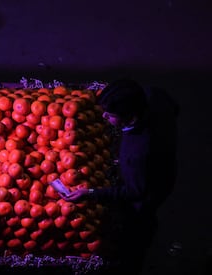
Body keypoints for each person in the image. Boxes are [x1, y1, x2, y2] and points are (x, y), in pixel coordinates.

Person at [62, 79, 179, 274]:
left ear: (129, 116)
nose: (104, 116)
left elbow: (134, 192)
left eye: (110, 115)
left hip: (147, 195)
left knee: (135, 237)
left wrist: (91, 192)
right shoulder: (155, 98)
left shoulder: (138, 152)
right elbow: (174, 107)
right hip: (166, 166)